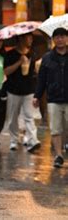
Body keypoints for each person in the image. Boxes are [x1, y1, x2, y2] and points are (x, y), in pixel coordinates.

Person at [34, 27, 68, 167]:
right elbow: (41, 79)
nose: (60, 39)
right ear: (53, 40)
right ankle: (59, 155)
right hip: (53, 98)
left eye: (63, 36)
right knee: (55, 128)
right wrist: (37, 96)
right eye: (57, 37)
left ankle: (65, 144)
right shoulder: (47, 58)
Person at [4, 33, 41, 153]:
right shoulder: (10, 54)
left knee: (29, 116)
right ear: (20, 39)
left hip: (29, 90)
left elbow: (35, 71)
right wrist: (19, 62)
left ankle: (32, 141)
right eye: (28, 37)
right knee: (13, 117)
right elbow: (6, 71)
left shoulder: (32, 54)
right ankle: (14, 140)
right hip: (13, 90)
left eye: (31, 37)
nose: (30, 40)